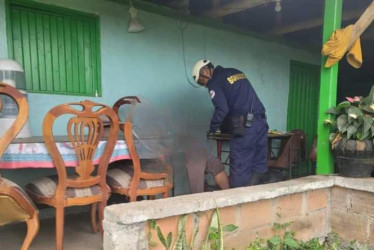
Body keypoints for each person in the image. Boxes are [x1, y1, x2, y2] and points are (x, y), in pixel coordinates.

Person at [192, 59, 269, 188]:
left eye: (201, 81)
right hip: (261, 121)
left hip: (245, 125)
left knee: (239, 165)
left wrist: (212, 128)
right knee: (258, 165)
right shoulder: (234, 71)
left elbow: (222, 109)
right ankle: (257, 199)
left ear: (206, 71)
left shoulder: (214, 82)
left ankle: (238, 204)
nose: (204, 85)